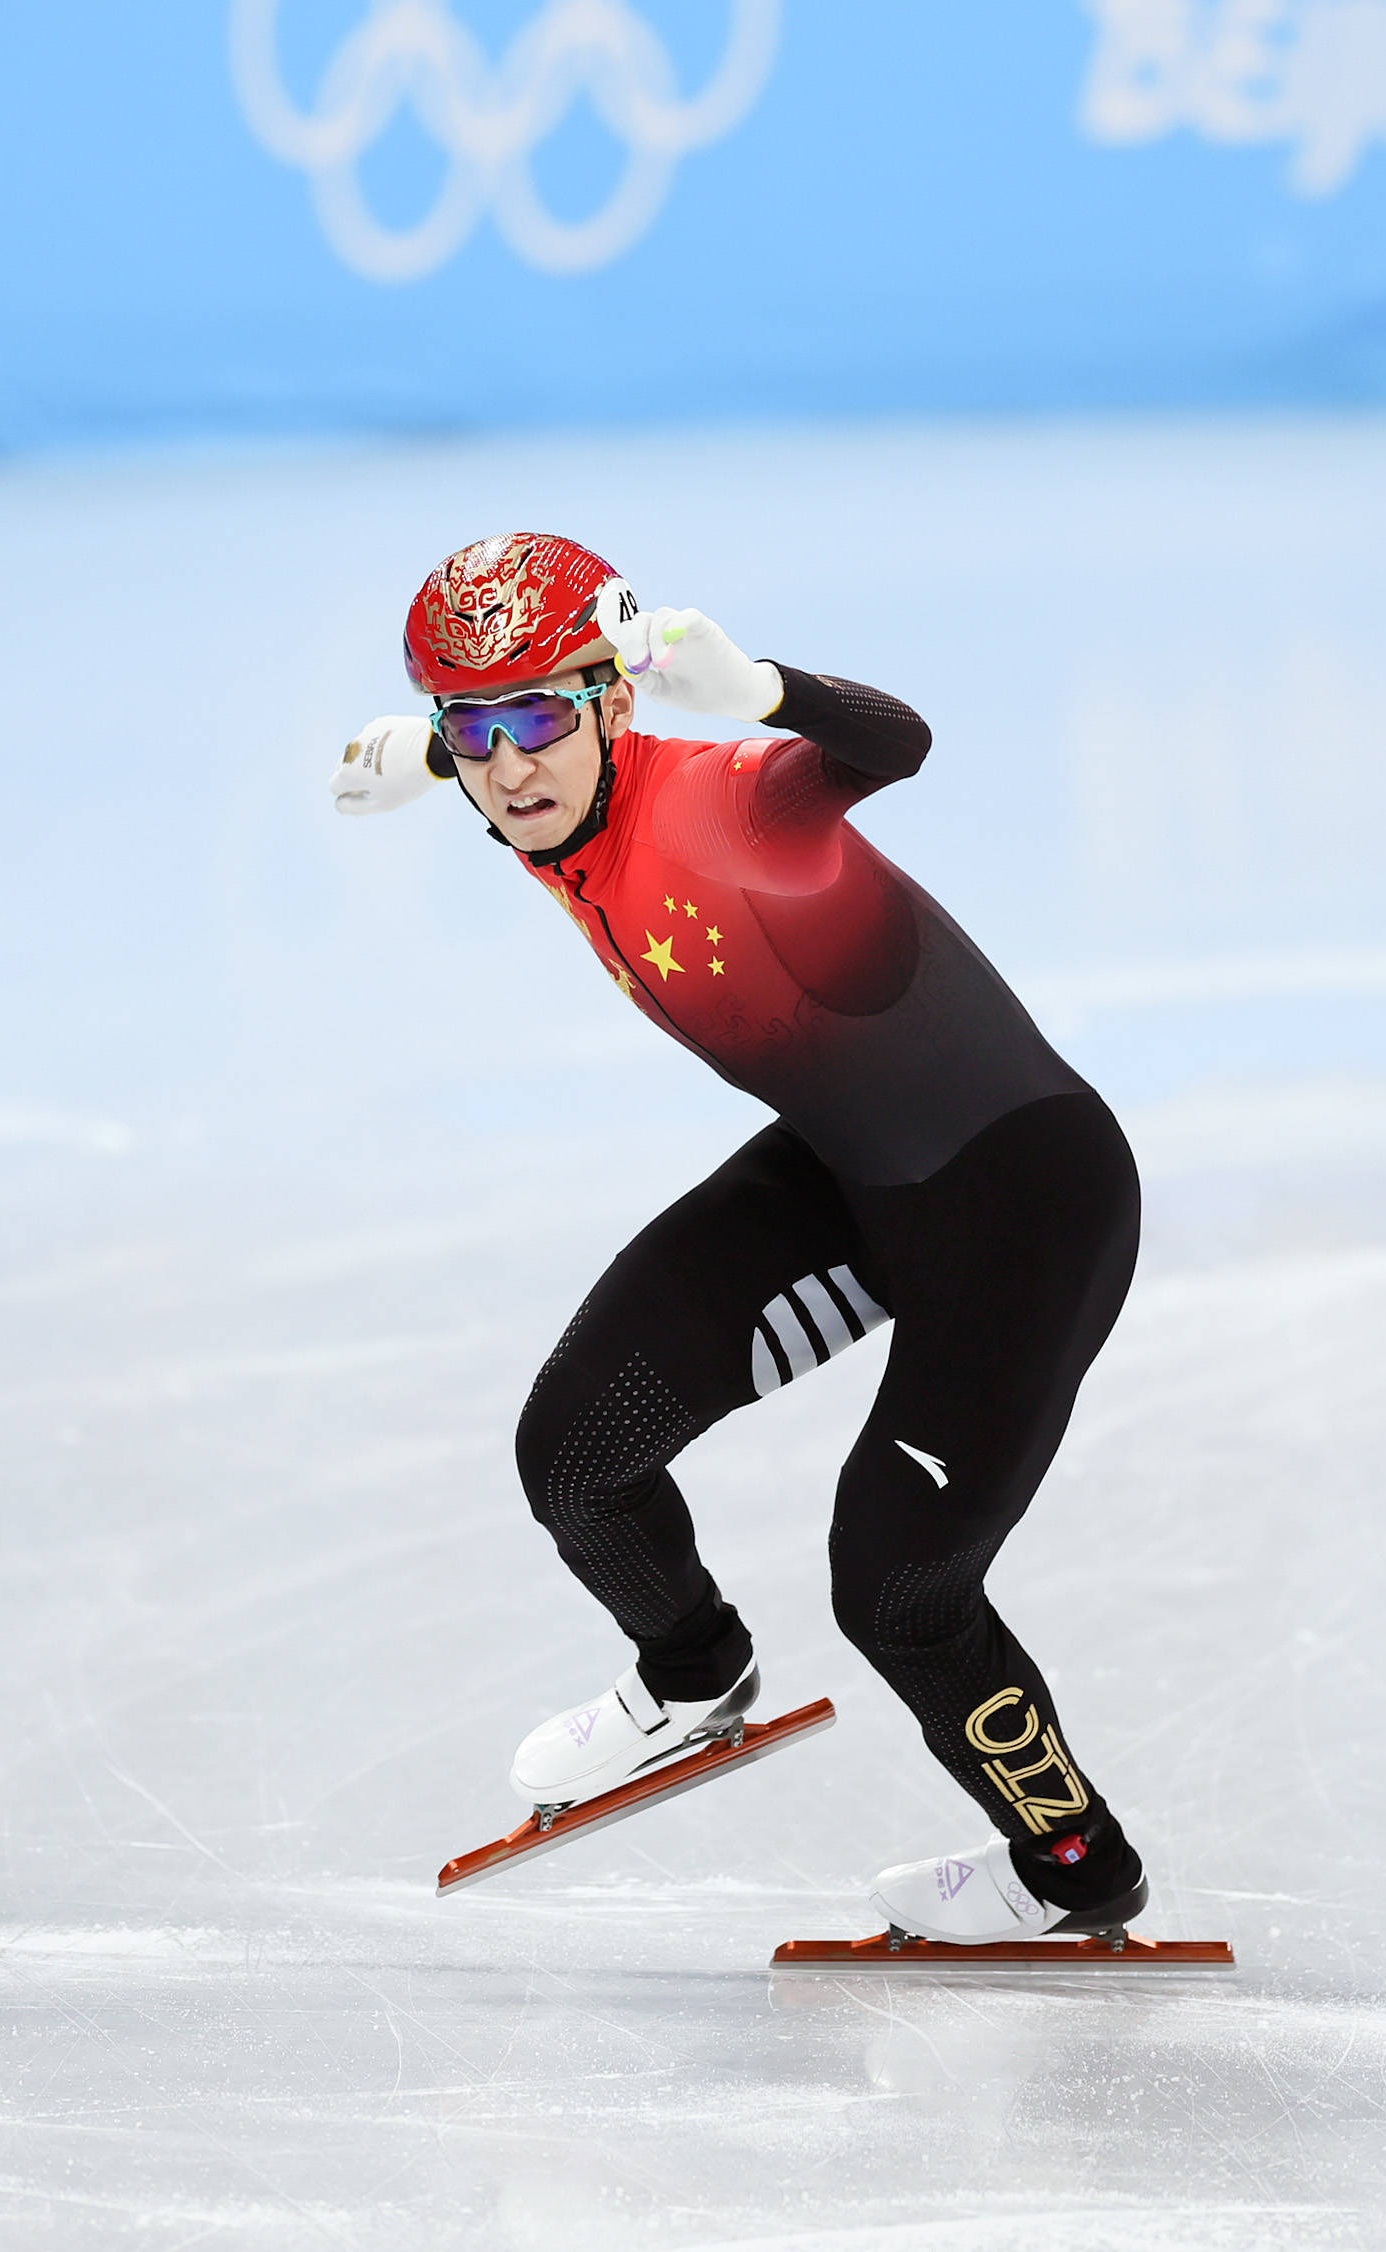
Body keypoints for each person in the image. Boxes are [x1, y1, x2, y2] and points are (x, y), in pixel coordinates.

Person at [330, 534, 1153, 1943]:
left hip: (1022, 1203)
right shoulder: (525, 799)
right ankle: (692, 1667)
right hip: (848, 1175)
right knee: (574, 1456)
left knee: (896, 1589)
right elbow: (502, 767)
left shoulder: (730, 804)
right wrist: (426, 753)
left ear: (613, 703)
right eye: (474, 732)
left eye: (537, 717)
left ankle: (1072, 1865)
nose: (507, 767)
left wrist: (764, 688)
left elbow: (896, 741)